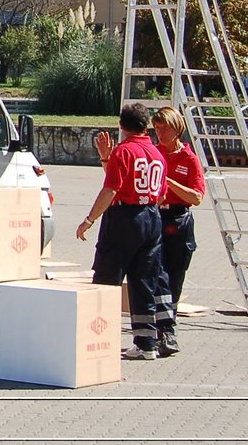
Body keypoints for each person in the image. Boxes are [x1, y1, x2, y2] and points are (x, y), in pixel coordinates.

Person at [77, 101, 167, 359]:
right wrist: (106, 158)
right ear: (146, 125)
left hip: (125, 218)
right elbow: (159, 193)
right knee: (143, 282)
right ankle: (147, 343)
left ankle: (98, 339)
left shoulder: (124, 151)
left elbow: (112, 188)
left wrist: (90, 219)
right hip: (151, 217)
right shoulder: (157, 154)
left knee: (107, 278)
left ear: (121, 125)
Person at [149, 104, 206, 354]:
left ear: (177, 129)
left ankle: (168, 330)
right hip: (156, 218)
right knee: (155, 274)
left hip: (179, 221)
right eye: (156, 128)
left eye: (164, 129)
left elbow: (196, 197)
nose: (159, 133)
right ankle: (162, 329)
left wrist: (169, 182)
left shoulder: (189, 159)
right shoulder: (154, 153)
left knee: (174, 277)